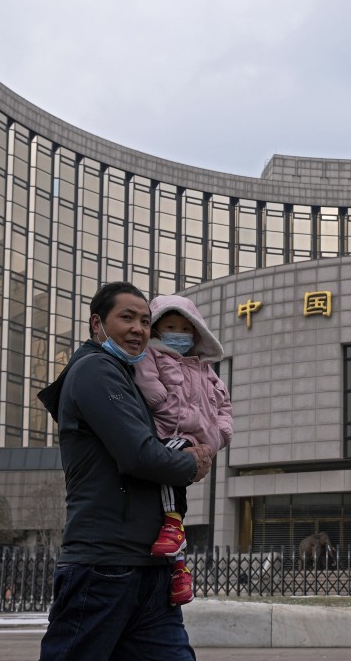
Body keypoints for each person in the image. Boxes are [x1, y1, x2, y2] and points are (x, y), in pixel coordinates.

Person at [37, 282, 212, 661]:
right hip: (103, 566)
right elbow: (139, 455)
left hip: (149, 568)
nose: (138, 329)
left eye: (146, 322)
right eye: (127, 318)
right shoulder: (95, 370)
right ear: (97, 324)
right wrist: (191, 463)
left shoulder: (129, 376)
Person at [134, 294, 233, 606]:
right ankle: (177, 555)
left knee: (170, 484)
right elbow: (147, 383)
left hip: (199, 441)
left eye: (185, 328)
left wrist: (218, 437)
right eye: (170, 327)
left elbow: (224, 406)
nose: (179, 334)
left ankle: (177, 554)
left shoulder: (205, 369)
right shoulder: (150, 354)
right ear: (157, 330)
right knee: (169, 471)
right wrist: (163, 402)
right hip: (167, 434)